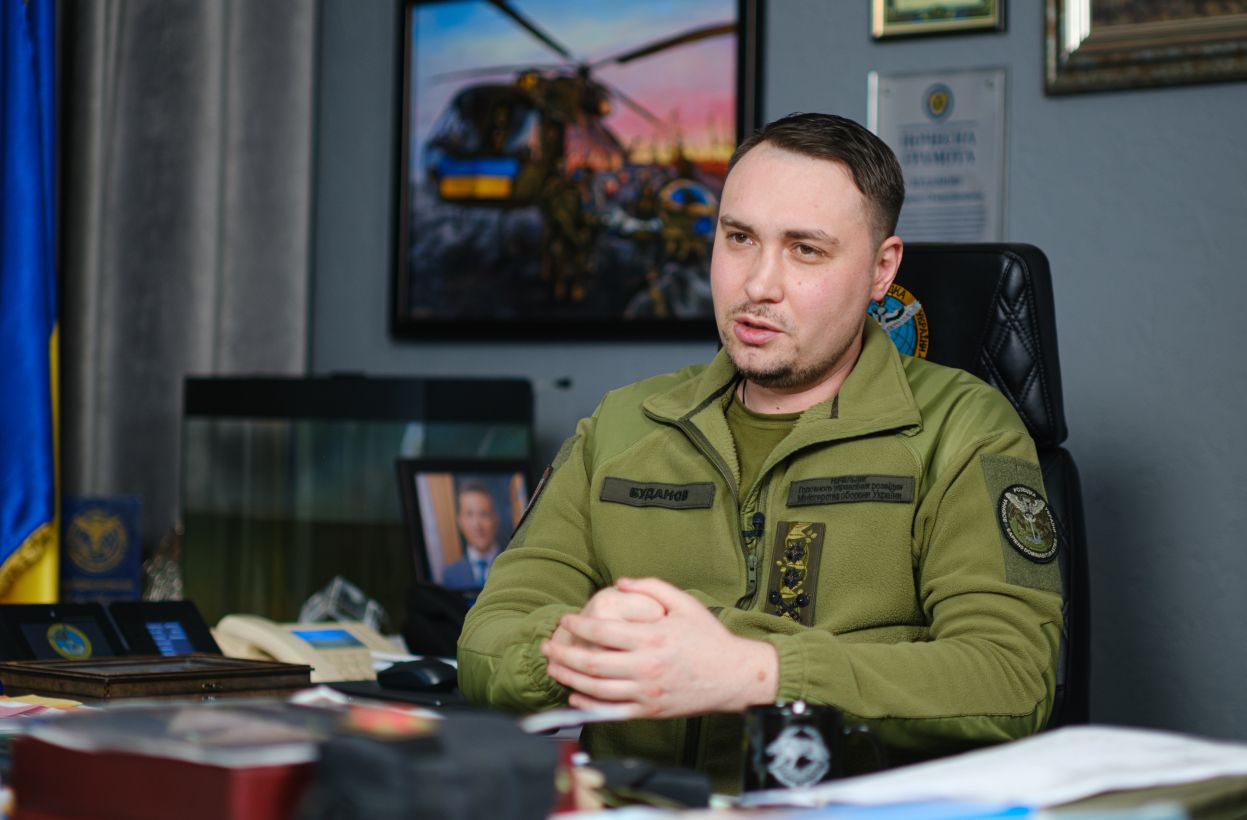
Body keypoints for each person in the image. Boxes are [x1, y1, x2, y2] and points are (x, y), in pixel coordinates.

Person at [458, 113, 1063, 792]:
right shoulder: (621, 427)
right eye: (739, 238)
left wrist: (755, 672)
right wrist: (572, 646)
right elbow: (485, 642)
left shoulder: (965, 429)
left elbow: (1012, 680)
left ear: (881, 269)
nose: (757, 285)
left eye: (805, 250)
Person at [441, 481, 502, 591]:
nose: (477, 525)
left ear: (495, 519)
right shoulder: (449, 575)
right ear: (460, 522)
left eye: (483, 514)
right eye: (469, 514)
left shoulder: (514, 567)